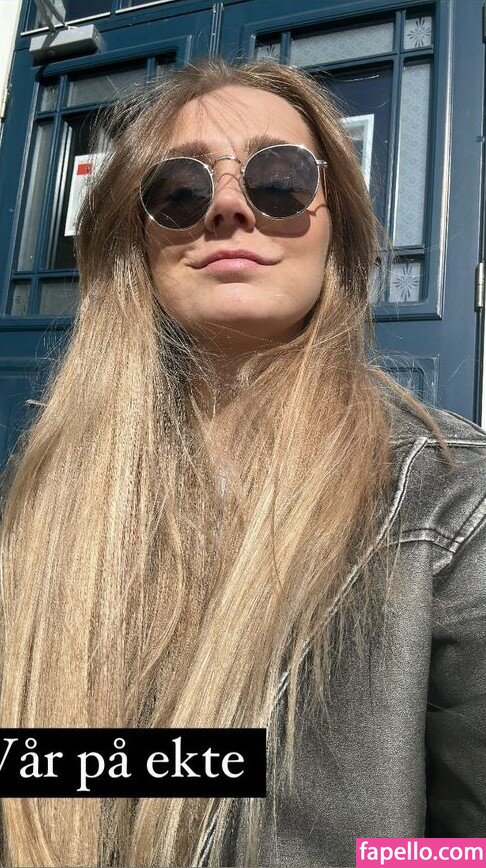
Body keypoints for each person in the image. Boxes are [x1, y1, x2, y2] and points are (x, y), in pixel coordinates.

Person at [0, 56, 485, 868]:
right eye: (179, 190)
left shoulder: (454, 505)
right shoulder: (47, 493)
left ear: (337, 228)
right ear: (136, 239)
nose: (228, 206)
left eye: (280, 179)